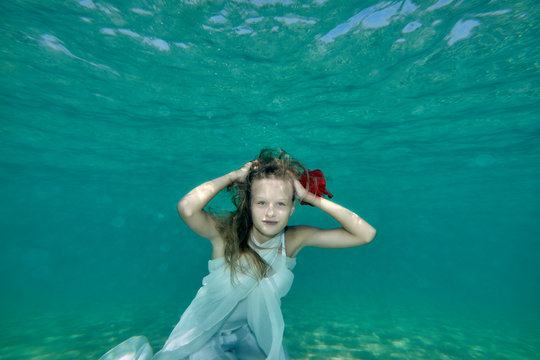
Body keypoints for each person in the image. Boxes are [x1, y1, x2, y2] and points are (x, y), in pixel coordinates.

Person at [99, 148, 376, 360]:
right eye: (261, 202)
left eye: (281, 204)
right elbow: (186, 208)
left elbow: (365, 234)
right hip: (204, 332)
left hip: (253, 333)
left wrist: (311, 197)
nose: (270, 212)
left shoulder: (293, 239)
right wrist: (233, 176)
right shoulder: (226, 232)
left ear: (293, 207)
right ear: (249, 204)